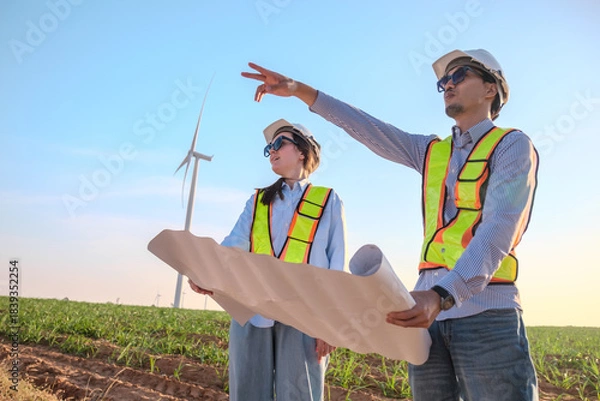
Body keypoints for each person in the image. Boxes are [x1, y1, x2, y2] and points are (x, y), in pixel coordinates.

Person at [241, 49, 539, 400]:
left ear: (491, 88)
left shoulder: (512, 146)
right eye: (443, 81)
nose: (447, 85)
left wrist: (443, 294)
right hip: (427, 320)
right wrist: (300, 90)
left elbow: (500, 227)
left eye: (459, 76)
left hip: (484, 314)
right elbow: (368, 128)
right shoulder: (431, 151)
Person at [188, 118, 346, 401]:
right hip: (253, 311)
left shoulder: (328, 201)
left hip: (305, 316)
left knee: (300, 396)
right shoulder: (258, 200)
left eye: (278, 143)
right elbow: (232, 246)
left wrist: (330, 324)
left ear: (302, 151)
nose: (271, 151)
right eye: (268, 148)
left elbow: (337, 266)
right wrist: (204, 271)